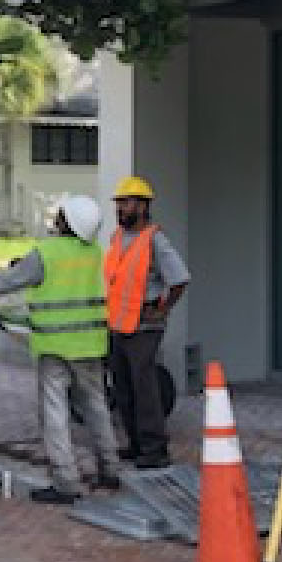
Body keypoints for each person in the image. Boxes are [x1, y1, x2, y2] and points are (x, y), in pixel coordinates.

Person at [0, 195, 122, 504]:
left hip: (55, 347)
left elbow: (5, 283)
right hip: (92, 345)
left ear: (66, 222)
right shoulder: (98, 254)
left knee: (55, 413)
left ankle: (66, 482)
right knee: (97, 407)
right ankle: (110, 470)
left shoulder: (46, 254)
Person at [105, 175, 190, 470]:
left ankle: (155, 450)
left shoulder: (155, 240)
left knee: (144, 388)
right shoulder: (117, 238)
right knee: (123, 387)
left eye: (126, 203)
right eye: (119, 203)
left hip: (144, 326)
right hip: (118, 325)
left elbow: (179, 279)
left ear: (143, 206)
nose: (120, 209)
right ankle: (136, 444)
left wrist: (163, 309)